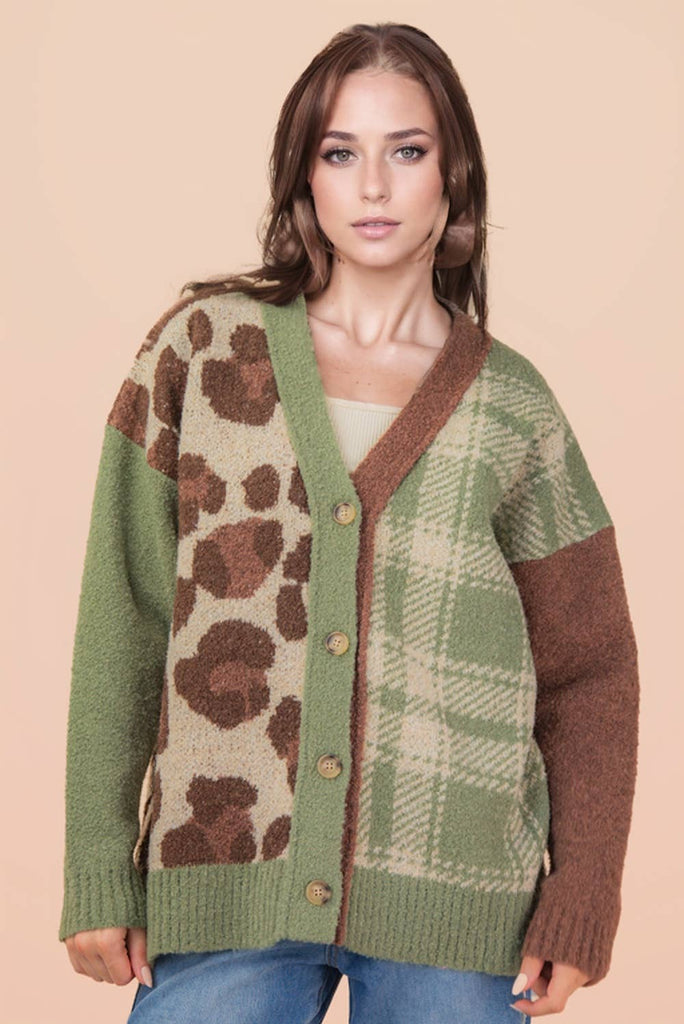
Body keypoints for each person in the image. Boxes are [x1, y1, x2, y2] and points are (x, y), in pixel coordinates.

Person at [58, 21, 640, 1024]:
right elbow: (127, 615)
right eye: (340, 153)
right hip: (226, 870)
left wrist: (580, 896)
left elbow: (591, 669)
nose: (373, 185)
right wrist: (98, 863)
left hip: (454, 896)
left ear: (454, 176)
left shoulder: (514, 407)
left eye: (406, 151)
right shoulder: (203, 352)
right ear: (304, 176)